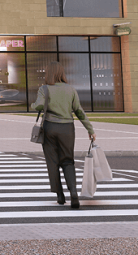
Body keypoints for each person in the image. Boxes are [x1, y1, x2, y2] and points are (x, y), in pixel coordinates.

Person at [31, 61, 96, 209]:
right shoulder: (70, 89)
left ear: (49, 73)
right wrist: (90, 129)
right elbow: (79, 111)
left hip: (49, 127)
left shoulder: (44, 89)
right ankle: (73, 192)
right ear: (61, 73)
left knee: (52, 162)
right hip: (67, 128)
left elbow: (39, 105)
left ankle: (60, 195)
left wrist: (33, 105)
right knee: (68, 161)